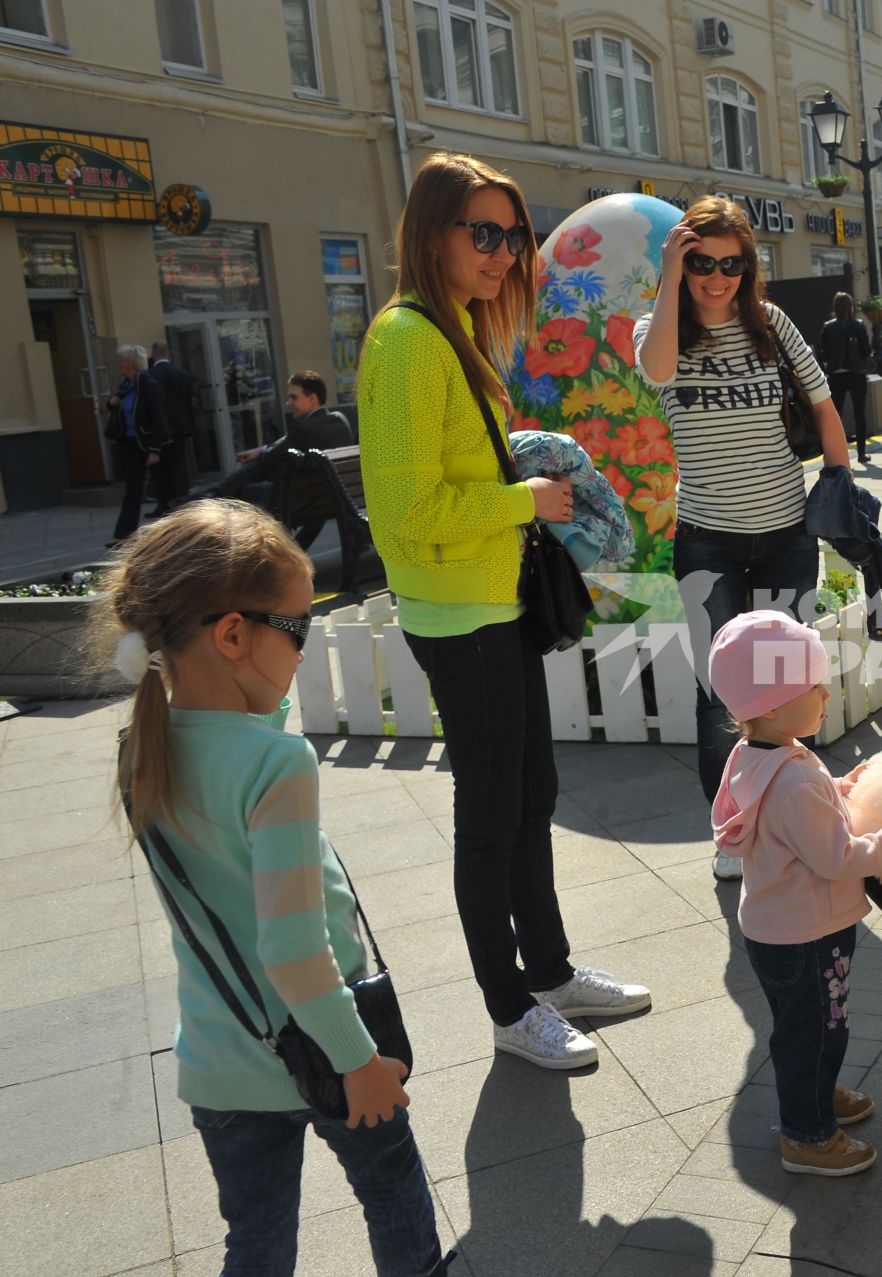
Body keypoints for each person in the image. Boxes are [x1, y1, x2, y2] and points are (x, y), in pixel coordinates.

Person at [92, 501, 450, 1275]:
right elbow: (292, 948)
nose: (302, 650)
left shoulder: (144, 750)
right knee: (392, 1194)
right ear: (231, 635)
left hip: (220, 1057)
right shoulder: (275, 766)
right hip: (328, 1044)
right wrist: (359, 1060)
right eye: (296, 630)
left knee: (256, 1241)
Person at [361, 152, 650, 1068]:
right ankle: (508, 1004)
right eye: (481, 233)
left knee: (533, 796)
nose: (502, 252)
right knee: (491, 815)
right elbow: (403, 509)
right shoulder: (408, 339)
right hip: (458, 613)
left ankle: (551, 970)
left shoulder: (454, 329)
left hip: (492, 601)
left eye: (512, 235)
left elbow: (450, 468)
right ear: (430, 233)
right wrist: (528, 501)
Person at [635, 193, 853, 875]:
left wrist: (841, 477)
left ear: (747, 266)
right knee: (719, 691)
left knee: (787, 685)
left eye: (731, 263)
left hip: (785, 528)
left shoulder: (772, 325)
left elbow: (822, 401)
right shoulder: (659, 327)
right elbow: (659, 369)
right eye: (702, 260)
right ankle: (733, 833)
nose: (717, 276)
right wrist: (669, 279)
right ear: (682, 258)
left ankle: (795, 818)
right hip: (709, 540)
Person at [707, 611, 882, 1176]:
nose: (827, 695)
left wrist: (837, 789)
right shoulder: (793, 777)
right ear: (771, 703)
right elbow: (836, 856)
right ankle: (807, 1136)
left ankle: (816, 1091)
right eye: (814, 687)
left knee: (811, 1026)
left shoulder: (762, 754)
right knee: (815, 1031)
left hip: (780, 929)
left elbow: (794, 814)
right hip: (807, 937)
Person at [213, 373, 357, 547]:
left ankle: (215, 496)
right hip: (329, 500)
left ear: (312, 399)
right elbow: (284, 443)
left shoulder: (302, 430)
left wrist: (261, 456)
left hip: (301, 502)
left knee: (246, 484)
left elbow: (267, 462)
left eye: (294, 398)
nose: (289, 403)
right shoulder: (340, 421)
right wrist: (262, 449)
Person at [106, 345, 172, 546]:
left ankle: (172, 534)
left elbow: (159, 418)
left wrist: (155, 449)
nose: (119, 364)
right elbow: (118, 407)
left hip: (149, 443)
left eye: (122, 360)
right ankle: (125, 536)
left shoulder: (149, 385)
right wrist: (112, 403)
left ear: (131, 362)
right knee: (133, 489)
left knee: (163, 488)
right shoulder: (126, 386)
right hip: (129, 443)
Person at [817, 294, 873, 463]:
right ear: (851, 307)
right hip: (856, 374)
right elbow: (866, 350)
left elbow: (822, 352)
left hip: (836, 375)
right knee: (859, 414)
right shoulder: (858, 326)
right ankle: (862, 452)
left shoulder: (828, 327)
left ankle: (835, 453)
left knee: (836, 416)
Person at [146, 339, 196, 513]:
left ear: (153, 355)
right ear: (168, 354)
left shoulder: (149, 376)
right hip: (180, 426)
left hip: (159, 428)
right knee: (180, 463)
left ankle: (164, 503)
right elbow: (190, 401)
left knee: (161, 468)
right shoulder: (182, 374)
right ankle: (183, 499)